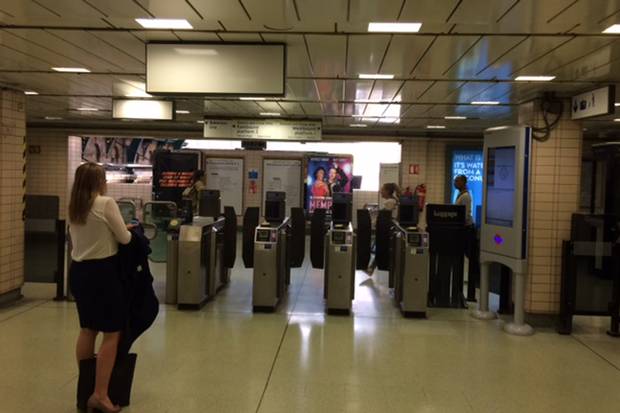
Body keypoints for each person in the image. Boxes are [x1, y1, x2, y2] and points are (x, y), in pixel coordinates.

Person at [68, 163, 134, 413]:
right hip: (103, 273)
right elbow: (124, 239)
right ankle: (100, 394)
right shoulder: (105, 203)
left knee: (87, 330)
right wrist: (125, 230)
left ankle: (85, 388)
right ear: (100, 181)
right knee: (111, 333)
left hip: (80, 271)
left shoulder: (74, 206)